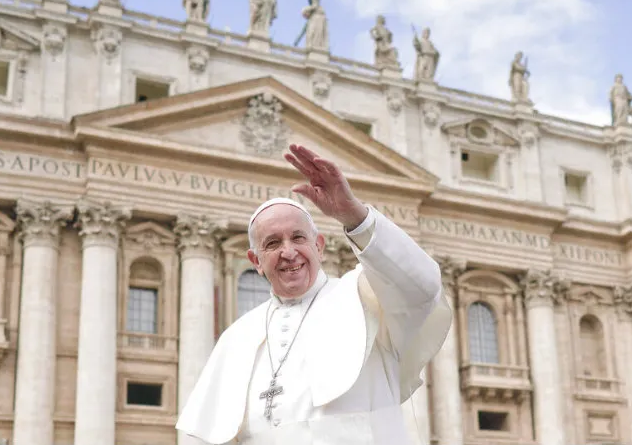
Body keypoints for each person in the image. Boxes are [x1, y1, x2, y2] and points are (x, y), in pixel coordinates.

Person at [176, 144, 452, 444]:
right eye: (272, 243)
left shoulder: (367, 297)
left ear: (319, 246)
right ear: (256, 261)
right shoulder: (237, 337)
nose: (288, 252)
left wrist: (354, 216)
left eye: (298, 238)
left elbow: (423, 286)